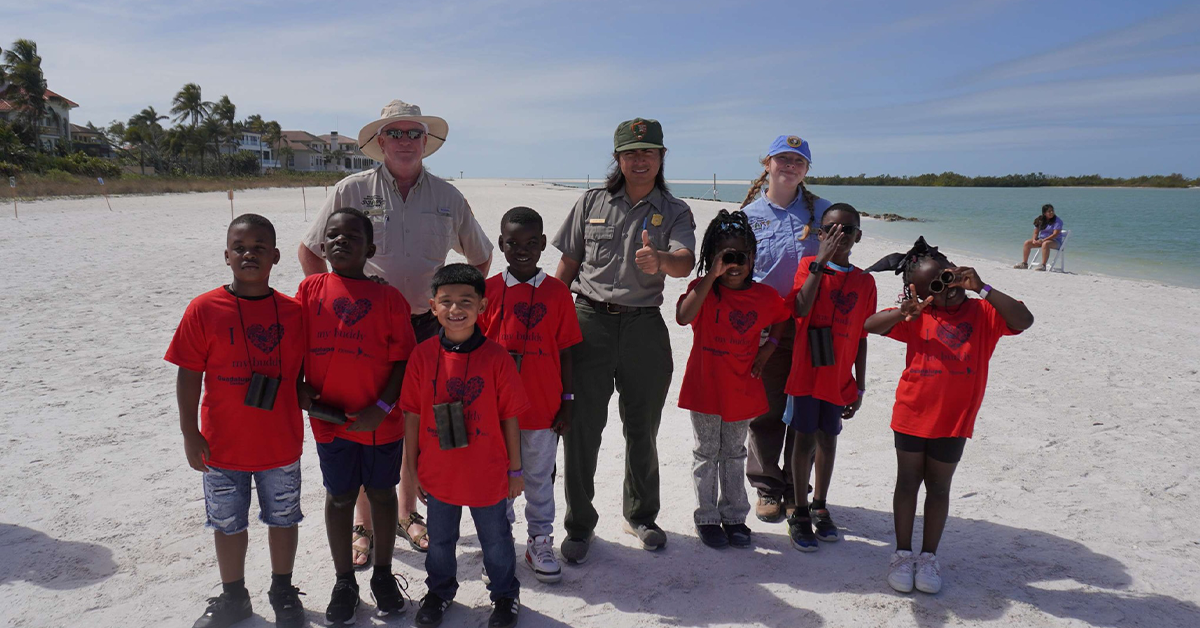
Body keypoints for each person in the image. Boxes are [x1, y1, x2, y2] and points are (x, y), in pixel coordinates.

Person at [298, 99, 493, 560]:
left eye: (413, 134)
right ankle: (362, 525)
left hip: (428, 327)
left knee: (413, 420)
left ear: (426, 142)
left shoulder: (448, 196)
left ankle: (407, 513)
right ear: (380, 141)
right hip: (362, 328)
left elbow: (480, 257)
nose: (405, 141)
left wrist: (459, 307)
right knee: (361, 416)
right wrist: (330, 307)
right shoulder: (350, 188)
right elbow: (310, 252)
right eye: (396, 133)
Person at [552, 117, 697, 562]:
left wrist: (661, 261)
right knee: (581, 429)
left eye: (649, 152)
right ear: (618, 158)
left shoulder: (675, 210)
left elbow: (685, 262)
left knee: (643, 428)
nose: (640, 159)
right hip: (588, 322)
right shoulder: (590, 202)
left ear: (661, 158)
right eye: (632, 152)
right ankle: (579, 525)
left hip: (643, 329)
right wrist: (554, 324)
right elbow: (568, 265)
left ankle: (641, 515)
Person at [865, 237, 1034, 595]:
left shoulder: (984, 312)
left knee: (939, 487)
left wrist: (983, 287)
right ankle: (901, 553)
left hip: (954, 420)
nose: (948, 291)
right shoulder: (917, 316)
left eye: (949, 278)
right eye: (936, 288)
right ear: (921, 293)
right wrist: (904, 312)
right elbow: (870, 325)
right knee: (908, 482)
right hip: (912, 413)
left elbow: (1024, 319)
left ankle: (928, 556)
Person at [165, 214, 307, 628]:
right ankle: (234, 595)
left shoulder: (294, 313)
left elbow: (302, 375)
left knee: (284, 518)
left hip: (279, 442)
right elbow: (189, 374)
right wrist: (190, 433)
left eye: (260, 247)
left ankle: (283, 589)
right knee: (227, 523)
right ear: (226, 255)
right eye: (240, 247)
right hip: (222, 444)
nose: (250, 254)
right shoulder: (204, 308)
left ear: (276, 256)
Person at [295, 208, 418, 623]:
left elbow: (403, 360)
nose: (341, 241)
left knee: (382, 493)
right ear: (323, 244)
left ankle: (382, 574)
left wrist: (381, 408)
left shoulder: (389, 298)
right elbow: (291, 345)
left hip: (381, 422)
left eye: (352, 236)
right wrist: (302, 390)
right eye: (333, 235)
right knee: (340, 495)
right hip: (331, 423)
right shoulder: (310, 289)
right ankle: (344, 579)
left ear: (371, 248)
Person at [400, 264, 529, 628]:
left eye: (465, 302)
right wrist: (412, 468)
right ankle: (440, 592)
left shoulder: (497, 358)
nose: (455, 309)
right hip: (439, 473)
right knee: (440, 541)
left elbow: (510, 418)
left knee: (496, 540)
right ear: (432, 306)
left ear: (483, 306)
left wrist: (515, 470)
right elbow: (411, 415)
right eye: (446, 302)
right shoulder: (422, 356)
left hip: (488, 473)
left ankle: (505, 596)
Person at [478, 207, 582, 583]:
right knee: (499, 479)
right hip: (496, 411)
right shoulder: (487, 291)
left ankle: (540, 539)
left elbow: (567, 351)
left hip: (542, 408)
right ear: (502, 244)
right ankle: (500, 540)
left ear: (542, 245)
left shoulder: (557, 293)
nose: (521, 249)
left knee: (539, 478)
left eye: (530, 243)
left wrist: (567, 403)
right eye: (512, 243)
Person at [676, 209, 790, 549]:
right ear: (711, 258)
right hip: (706, 388)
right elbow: (683, 316)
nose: (734, 264)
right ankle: (707, 516)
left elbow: (782, 318)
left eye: (740, 256)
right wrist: (711, 275)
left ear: (752, 258)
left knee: (735, 453)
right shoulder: (704, 290)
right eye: (725, 257)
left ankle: (735, 515)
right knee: (706, 452)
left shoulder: (765, 297)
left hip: (742, 388)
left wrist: (768, 349)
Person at [739, 134, 833, 523]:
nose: (790, 166)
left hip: (814, 328)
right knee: (766, 410)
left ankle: (798, 489)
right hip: (767, 327)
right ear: (767, 164)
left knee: (805, 411)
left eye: (799, 161)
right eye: (783, 159)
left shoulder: (824, 212)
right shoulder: (747, 216)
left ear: (807, 170)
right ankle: (767, 487)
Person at [782, 203, 875, 552]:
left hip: (838, 378)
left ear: (859, 236)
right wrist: (819, 263)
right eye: (832, 230)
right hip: (807, 373)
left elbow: (863, 336)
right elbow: (800, 307)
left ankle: (820, 503)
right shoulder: (809, 267)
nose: (840, 236)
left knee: (829, 440)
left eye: (847, 230)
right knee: (803, 439)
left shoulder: (865, 281)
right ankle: (800, 509)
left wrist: (860, 385)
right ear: (821, 234)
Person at [1014, 204, 1064, 271]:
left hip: (1055, 241)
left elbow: (1055, 234)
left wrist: (1043, 240)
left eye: (1052, 211)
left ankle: (1043, 265)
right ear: (1044, 213)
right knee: (1027, 243)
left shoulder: (1057, 221)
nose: (1051, 212)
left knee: (1046, 244)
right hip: (1042, 240)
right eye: (1049, 211)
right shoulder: (1040, 220)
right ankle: (1024, 264)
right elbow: (1036, 232)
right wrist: (1034, 239)